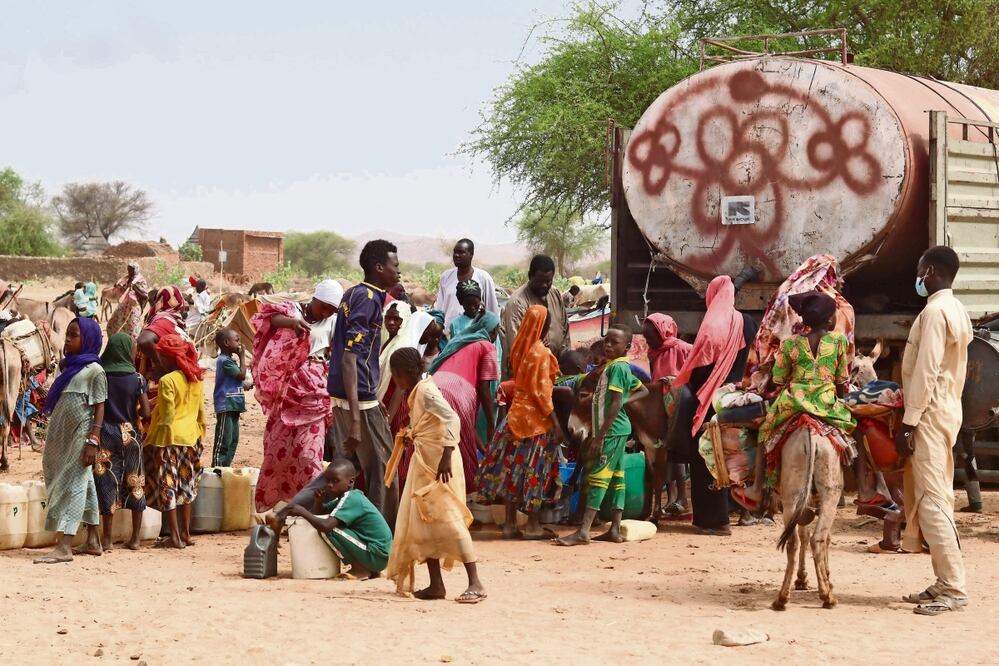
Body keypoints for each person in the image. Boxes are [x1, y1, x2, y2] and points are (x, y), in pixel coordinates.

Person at [895, 246, 972, 616]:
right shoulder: (956, 308)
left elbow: (926, 370)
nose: (918, 277)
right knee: (937, 495)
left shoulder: (935, 312)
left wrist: (909, 422)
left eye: (920, 271)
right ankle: (944, 581)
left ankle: (953, 588)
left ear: (930, 271)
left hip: (928, 414)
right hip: (946, 410)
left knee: (931, 501)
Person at [732, 292, 856, 512]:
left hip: (794, 402)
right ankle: (864, 487)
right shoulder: (839, 341)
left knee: (764, 433)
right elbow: (841, 379)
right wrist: (841, 403)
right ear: (829, 319)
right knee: (854, 432)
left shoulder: (790, 344)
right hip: (827, 402)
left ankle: (757, 488)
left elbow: (779, 380)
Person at [384, 347, 486, 603]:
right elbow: (428, 422)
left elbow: (452, 419)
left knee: (449, 518)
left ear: (403, 373)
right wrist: (413, 434)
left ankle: (475, 582)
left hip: (440, 465)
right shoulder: (418, 391)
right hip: (425, 461)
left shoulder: (426, 391)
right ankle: (436, 584)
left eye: (395, 375)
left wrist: (447, 454)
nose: (396, 381)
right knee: (425, 521)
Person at [666, 275, 758, 536]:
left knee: (706, 458)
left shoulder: (712, 325)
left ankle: (714, 521)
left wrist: (688, 387)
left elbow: (700, 369)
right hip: (736, 398)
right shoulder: (747, 322)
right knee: (732, 456)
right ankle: (738, 510)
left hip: (710, 400)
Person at [328, 239, 401, 526]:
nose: (399, 271)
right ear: (379, 267)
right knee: (385, 470)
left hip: (349, 396)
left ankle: (296, 513)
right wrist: (357, 420)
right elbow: (350, 358)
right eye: (395, 265)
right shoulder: (368, 299)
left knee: (343, 468)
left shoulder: (354, 293)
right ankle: (383, 533)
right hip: (358, 401)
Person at [252, 280, 342, 511]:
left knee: (309, 457)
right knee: (277, 451)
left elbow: (336, 354)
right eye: (323, 306)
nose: (326, 312)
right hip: (286, 391)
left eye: (331, 309)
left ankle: (311, 510)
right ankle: (281, 506)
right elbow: (268, 318)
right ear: (315, 299)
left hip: (315, 391)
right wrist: (292, 324)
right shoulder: (292, 311)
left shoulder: (334, 322)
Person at [478, 304, 566, 539]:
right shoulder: (541, 354)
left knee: (511, 470)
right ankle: (533, 526)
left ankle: (509, 524)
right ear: (544, 326)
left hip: (514, 418)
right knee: (535, 471)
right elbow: (542, 394)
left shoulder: (519, 347)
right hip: (535, 423)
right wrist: (556, 424)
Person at [556, 325, 648, 546]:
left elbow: (615, 402)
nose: (608, 345)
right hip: (618, 430)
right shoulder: (620, 367)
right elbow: (642, 390)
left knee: (599, 477)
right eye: (606, 340)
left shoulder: (615, 369)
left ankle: (583, 531)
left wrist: (600, 436)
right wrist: (624, 401)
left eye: (614, 342)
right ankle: (614, 529)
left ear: (627, 346)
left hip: (611, 431)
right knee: (617, 478)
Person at [33, 318, 106, 564]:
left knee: (75, 484)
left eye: (74, 335)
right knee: (85, 482)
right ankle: (93, 540)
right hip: (59, 436)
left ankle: (65, 545)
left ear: (88, 339)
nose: (67, 339)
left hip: (80, 435)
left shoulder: (95, 371)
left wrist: (93, 440)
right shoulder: (67, 368)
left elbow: (100, 407)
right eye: (67, 334)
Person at [143, 334, 205, 549]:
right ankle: (186, 534)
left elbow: (167, 417)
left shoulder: (167, 381)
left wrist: (160, 446)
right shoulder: (196, 379)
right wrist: (200, 437)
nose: (158, 359)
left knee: (168, 485)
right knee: (187, 486)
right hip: (191, 438)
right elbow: (201, 413)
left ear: (170, 358)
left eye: (161, 355)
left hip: (170, 440)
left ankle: (174, 537)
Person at [427, 311, 500, 494]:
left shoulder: (460, 342)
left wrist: (484, 450)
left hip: (432, 386)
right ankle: (466, 491)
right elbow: (484, 388)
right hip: (457, 389)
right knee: (461, 447)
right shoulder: (487, 346)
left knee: (436, 441)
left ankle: (436, 489)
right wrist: (491, 424)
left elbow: (468, 427)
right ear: (493, 331)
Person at [284, 459, 393, 579]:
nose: (330, 485)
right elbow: (321, 514)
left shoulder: (351, 498)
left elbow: (326, 525)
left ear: (350, 482)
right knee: (326, 524)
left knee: (329, 529)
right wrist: (318, 502)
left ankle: (360, 569)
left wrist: (302, 511)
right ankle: (368, 568)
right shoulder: (345, 498)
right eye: (328, 480)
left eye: (335, 481)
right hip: (377, 556)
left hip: (376, 554)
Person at [94, 333, 150, 551]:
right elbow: (146, 412)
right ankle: (135, 539)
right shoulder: (138, 379)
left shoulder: (101, 376)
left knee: (106, 481)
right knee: (136, 481)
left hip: (105, 432)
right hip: (130, 434)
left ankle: (107, 539)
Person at [643, 313, 693, 520]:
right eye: (646, 337)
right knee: (665, 451)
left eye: (651, 336)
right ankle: (672, 497)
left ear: (663, 332)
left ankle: (682, 497)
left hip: (679, 405)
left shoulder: (684, 348)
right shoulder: (653, 353)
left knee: (675, 448)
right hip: (661, 405)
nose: (648, 341)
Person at [501, 255, 569, 377]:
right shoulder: (517, 303)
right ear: (530, 276)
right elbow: (518, 347)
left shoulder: (555, 293)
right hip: (527, 374)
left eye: (548, 281)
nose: (544, 285)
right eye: (540, 281)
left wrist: (565, 362)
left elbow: (565, 330)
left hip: (555, 370)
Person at [434, 239, 499, 329]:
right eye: (455, 252)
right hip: (448, 333)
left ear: (471, 254)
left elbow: (492, 310)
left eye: (461, 252)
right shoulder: (446, 277)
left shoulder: (484, 278)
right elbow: (439, 308)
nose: (456, 255)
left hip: (474, 333)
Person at [212, 328, 246, 467]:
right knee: (224, 441)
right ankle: (217, 469)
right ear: (226, 343)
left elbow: (237, 378)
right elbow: (241, 375)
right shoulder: (224, 361)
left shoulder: (230, 360)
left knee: (233, 440)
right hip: (226, 404)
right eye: (237, 340)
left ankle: (225, 468)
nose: (240, 344)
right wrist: (242, 356)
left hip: (234, 404)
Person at [106, 263, 149, 340]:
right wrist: (119, 287)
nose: (129, 271)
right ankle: (116, 343)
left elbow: (145, 295)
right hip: (123, 307)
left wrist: (134, 288)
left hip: (133, 308)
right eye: (128, 269)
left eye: (131, 270)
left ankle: (130, 346)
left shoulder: (140, 280)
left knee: (132, 331)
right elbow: (121, 292)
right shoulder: (126, 278)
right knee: (111, 326)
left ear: (135, 270)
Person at [186, 278, 213, 343]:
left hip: (198, 319)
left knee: (186, 329)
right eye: (196, 286)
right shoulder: (197, 295)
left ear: (202, 287)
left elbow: (206, 309)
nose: (196, 288)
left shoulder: (206, 297)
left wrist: (194, 304)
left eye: (197, 287)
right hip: (192, 316)